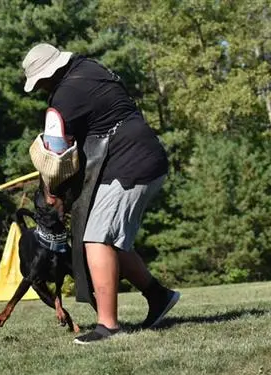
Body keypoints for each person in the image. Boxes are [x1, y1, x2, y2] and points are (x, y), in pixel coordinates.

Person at [22, 43, 180, 344]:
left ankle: (108, 326)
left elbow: (56, 155)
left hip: (129, 163)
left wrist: (52, 186)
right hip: (145, 154)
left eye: (40, 82)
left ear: (49, 75)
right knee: (112, 240)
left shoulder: (62, 99)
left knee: (96, 238)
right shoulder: (91, 68)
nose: (41, 88)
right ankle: (159, 296)